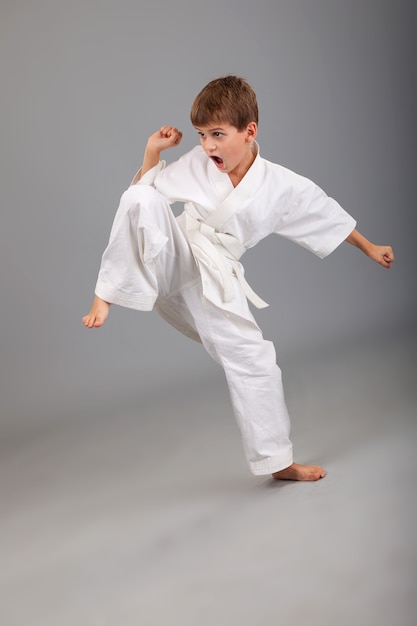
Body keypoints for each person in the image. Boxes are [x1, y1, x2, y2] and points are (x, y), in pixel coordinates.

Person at [82, 76, 394, 481]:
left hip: (216, 275)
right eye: (201, 135)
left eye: (217, 134)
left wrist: (368, 246)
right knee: (138, 196)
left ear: (249, 132)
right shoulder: (196, 163)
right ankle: (106, 292)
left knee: (255, 359)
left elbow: (324, 212)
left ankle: (277, 463)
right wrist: (151, 150)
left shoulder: (280, 185)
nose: (208, 146)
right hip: (173, 253)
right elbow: (146, 195)